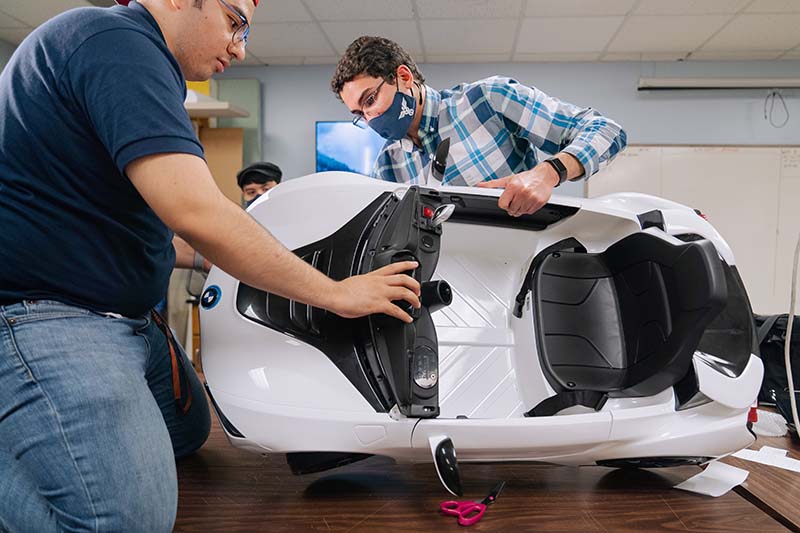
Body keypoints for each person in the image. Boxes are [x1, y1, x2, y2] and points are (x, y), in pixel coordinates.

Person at [0, 2, 420, 531]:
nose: (239, 47)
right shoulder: (114, 43)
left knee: (189, 430)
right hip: (51, 314)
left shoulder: (143, 63)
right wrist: (336, 292)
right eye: (234, 20)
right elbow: (197, 211)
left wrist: (213, 263)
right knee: (123, 520)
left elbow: (136, 221)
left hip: (127, 320)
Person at [330, 36, 627, 217]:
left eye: (370, 100)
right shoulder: (386, 165)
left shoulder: (487, 99)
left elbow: (605, 129)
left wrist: (549, 173)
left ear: (404, 77)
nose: (370, 119)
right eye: (359, 114)